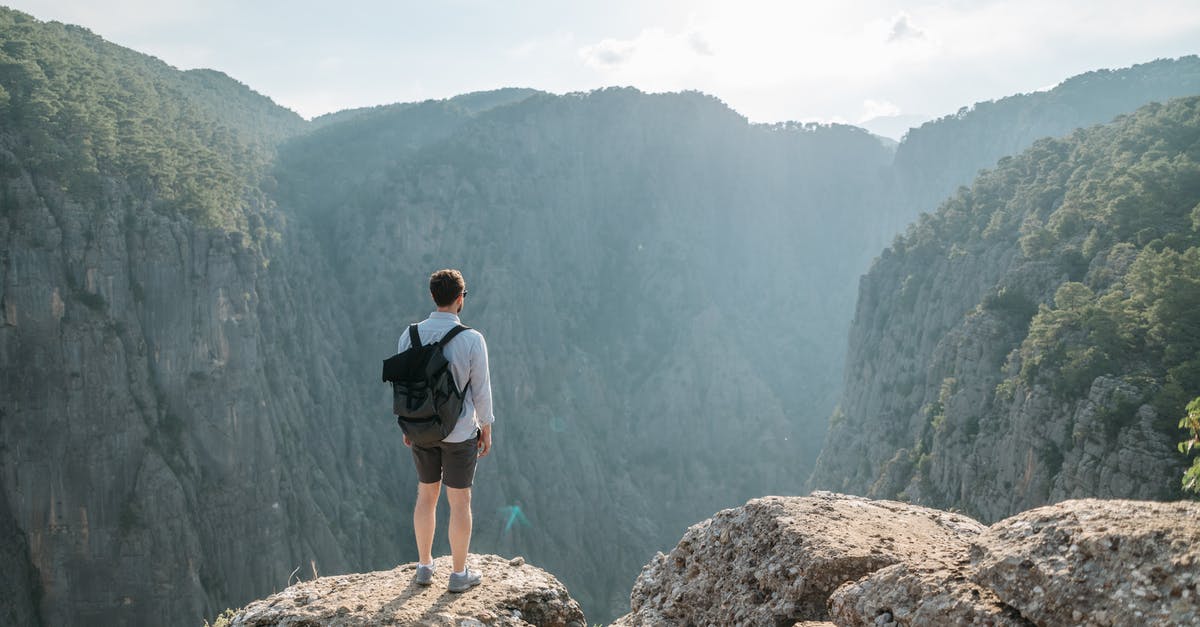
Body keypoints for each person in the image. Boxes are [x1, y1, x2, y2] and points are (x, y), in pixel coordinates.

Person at [397, 269, 494, 592]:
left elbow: (404, 387)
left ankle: (424, 567)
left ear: (433, 297)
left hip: (421, 430)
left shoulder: (409, 335)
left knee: (426, 495)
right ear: (460, 298)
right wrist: (486, 428)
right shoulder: (471, 339)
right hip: (460, 432)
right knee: (460, 501)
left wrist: (408, 424)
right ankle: (458, 573)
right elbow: (481, 389)